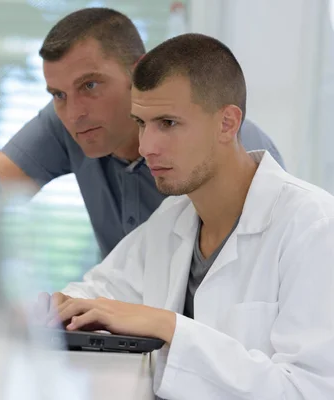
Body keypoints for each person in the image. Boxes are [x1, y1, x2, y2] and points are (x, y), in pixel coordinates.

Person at [0, 7, 285, 329]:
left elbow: (257, 304)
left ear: (139, 73)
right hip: (131, 330)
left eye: (90, 86)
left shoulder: (225, 150)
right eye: (58, 94)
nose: (73, 114)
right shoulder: (66, 125)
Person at [38, 33, 334, 398]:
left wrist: (167, 326)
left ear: (227, 123)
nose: (146, 147)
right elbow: (97, 295)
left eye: (168, 123)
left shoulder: (315, 227)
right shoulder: (174, 217)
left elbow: (309, 390)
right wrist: (55, 309)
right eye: (142, 123)